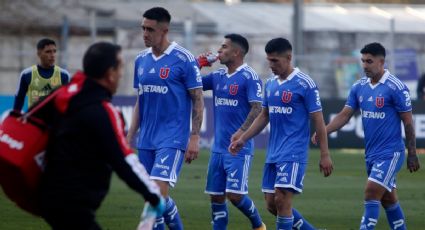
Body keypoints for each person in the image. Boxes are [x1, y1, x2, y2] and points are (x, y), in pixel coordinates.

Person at [37, 42, 164, 230]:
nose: (122, 74)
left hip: (50, 196)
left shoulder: (63, 94)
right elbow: (123, 160)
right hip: (73, 204)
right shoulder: (103, 112)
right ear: (109, 73)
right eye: (120, 67)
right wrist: (154, 195)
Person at [229, 37, 333, 230]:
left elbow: (318, 119)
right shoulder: (270, 84)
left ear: (288, 57)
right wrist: (243, 138)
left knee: (282, 199)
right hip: (273, 152)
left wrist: (324, 154)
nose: (271, 65)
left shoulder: (305, 84)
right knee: (271, 204)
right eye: (269, 60)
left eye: (275, 61)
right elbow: (264, 116)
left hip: (293, 152)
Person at [313, 42, 420, 230]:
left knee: (371, 192)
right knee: (388, 199)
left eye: (369, 61)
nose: (364, 65)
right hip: (371, 154)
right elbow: (345, 115)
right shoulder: (358, 87)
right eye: (362, 61)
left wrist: (412, 153)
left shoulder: (396, 87)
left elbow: (408, 122)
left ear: (381, 62)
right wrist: (325, 130)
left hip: (391, 153)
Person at [126, 7, 204, 230]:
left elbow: (198, 99)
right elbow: (141, 101)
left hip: (172, 137)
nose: (145, 33)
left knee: (157, 193)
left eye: (150, 29)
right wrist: (130, 136)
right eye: (143, 28)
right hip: (147, 139)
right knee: (153, 198)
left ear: (164, 30)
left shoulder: (184, 59)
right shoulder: (141, 60)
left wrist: (195, 136)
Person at [199, 34, 265, 230]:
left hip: (238, 148)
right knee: (216, 196)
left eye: (224, 47)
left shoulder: (249, 77)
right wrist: (197, 63)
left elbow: (257, 108)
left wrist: (242, 132)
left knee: (235, 196)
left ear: (236, 52)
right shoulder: (218, 76)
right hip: (218, 148)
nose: (219, 51)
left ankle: (258, 225)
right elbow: (190, 83)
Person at [13, 38, 70, 111]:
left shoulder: (63, 75)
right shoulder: (27, 74)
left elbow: (67, 101)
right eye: (48, 52)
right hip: (34, 120)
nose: (52, 55)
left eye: (54, 51)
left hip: (53, 121)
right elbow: (19, 99)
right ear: (39, 54)